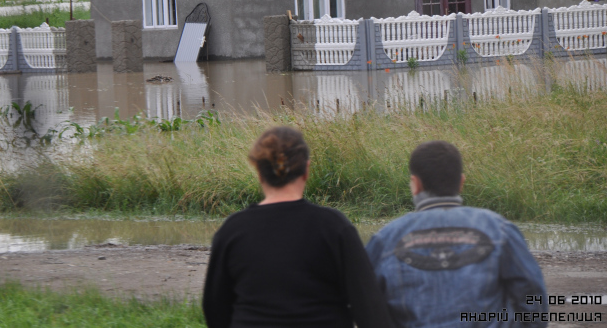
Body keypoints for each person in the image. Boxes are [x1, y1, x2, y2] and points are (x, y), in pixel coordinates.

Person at [202, 126, 394, 328]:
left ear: (259, 172)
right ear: (306, 170)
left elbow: (215, 308)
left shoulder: (233, 230)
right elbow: (369, 306)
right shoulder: (334, 227)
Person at [366, 140, 548, 327]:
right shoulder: (500, 229)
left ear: (415, 184)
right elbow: (532, 295)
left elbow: (367, 306)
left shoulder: (384, 239)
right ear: (461, 182)